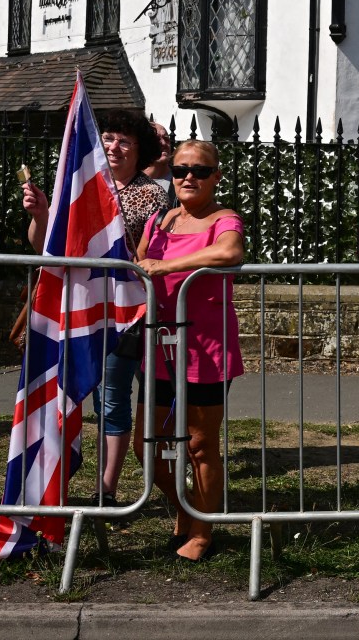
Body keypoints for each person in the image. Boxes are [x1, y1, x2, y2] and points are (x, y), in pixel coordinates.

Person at [20, 106, 169, 505]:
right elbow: (47, 248)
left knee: (111, 397)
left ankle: (107, 488)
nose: (114, 147)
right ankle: (68, 478)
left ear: (141, 152)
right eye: (108, 139)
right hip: (82, 307)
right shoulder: (84, 185)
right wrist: (42, 214)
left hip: (124, 312)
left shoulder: (149, 194)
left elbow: (114, 246)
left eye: (125, 141)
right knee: (75, 393)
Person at [136, 139, 245, 561]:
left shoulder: (224, 218)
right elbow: (138, 261)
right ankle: (187, 505)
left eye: (199, 171)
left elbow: (230, 251)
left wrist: (168, 266)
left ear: (215, 177)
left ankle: (201, 533)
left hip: (206, 352)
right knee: (146, 446)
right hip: (159, 348)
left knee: (200, 445)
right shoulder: (160, 222)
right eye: (181, 169)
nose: (188, 178)